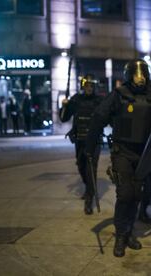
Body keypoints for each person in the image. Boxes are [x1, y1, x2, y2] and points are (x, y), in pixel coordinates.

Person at [86, 59, 151, 257]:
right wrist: (89, 145)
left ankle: (128, 233)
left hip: (143, 154)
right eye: (136, 75)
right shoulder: (118, 95)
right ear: (129, 76)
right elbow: (99, 116)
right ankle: (120, 235)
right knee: (125, 194)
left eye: (143, 74)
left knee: (136, 195)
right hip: (123, 152)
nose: (140, 78)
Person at [59, 74, 104, 215]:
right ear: (83, 87)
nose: (89, 88)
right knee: (81, 166)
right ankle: (88, 187)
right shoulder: (76, 100)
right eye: (86, 85)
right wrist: (64, 106)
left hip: (94, 140)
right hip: (80, 139)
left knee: (91, 168)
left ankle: (88, 200)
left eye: (91, 85)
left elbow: (108, 118)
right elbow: (63, 118)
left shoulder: (99, 101)